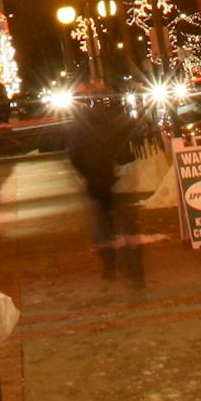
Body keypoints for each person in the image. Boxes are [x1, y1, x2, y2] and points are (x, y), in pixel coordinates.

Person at [65, 80, 142, 282]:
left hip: (97, 177)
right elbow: (128, 141)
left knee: (103, 221)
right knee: (124, 220)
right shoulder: (116, 119)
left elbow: (75, 155)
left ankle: (110, 264)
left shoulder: (80, 125)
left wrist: (86, 173)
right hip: (116, 174)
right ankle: (133, 264)